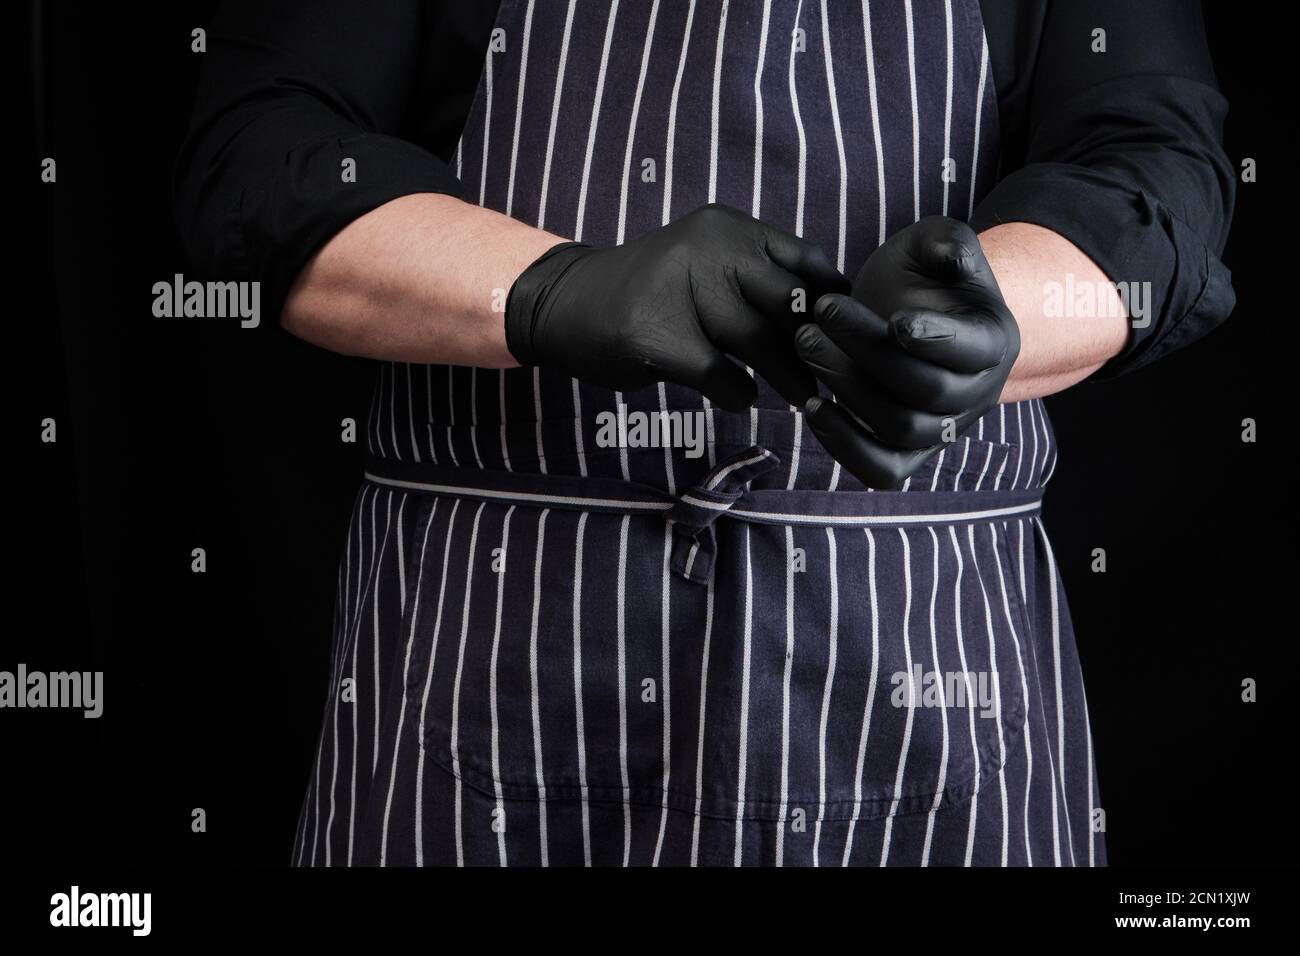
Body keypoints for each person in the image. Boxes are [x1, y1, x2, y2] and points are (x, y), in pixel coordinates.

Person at [175, 0, 1234, 866]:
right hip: (497, 645)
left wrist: (981, 312)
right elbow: (266, 150)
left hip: (920, 650)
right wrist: (557, 289)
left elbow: (1152, 164)